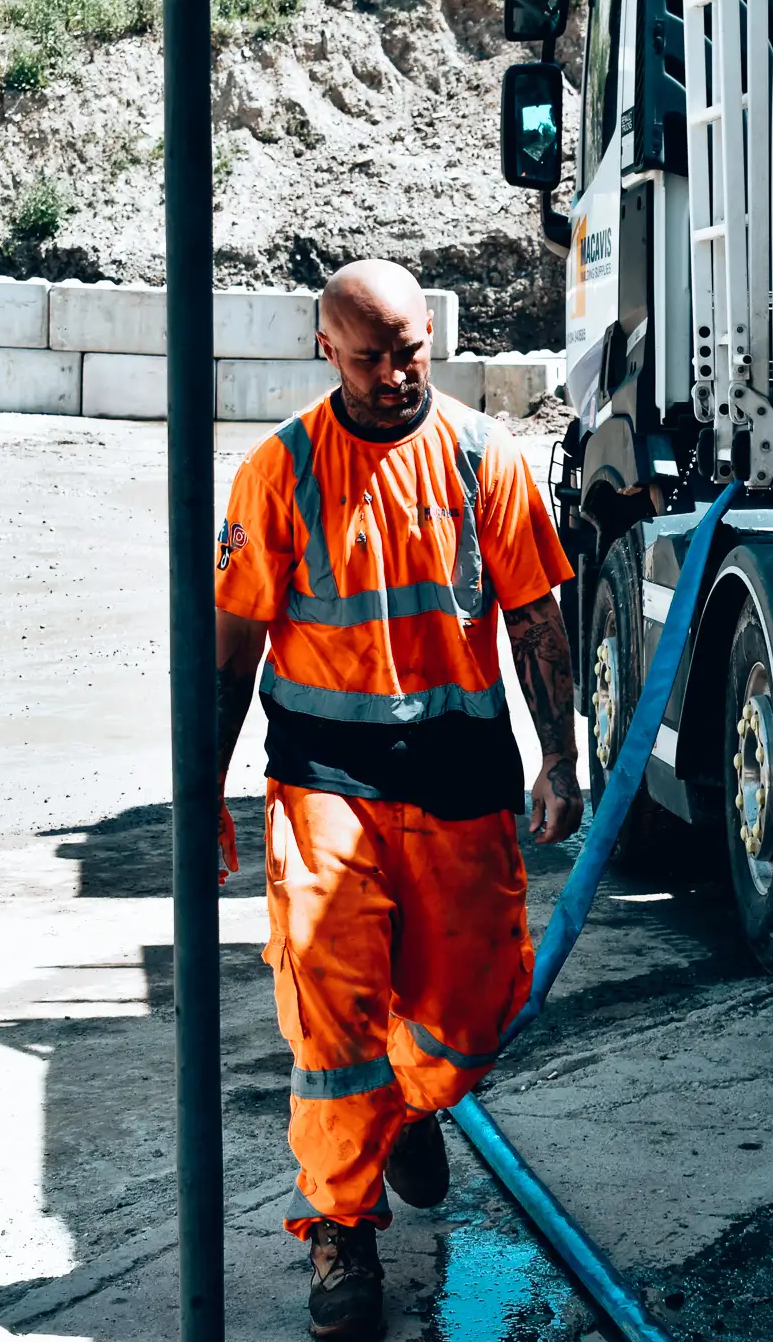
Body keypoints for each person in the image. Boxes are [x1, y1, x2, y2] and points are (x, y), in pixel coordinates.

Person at [213, 258, 583, 1339]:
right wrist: (203, 793)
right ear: (322, 348)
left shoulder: (484, 458)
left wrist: (557, 760)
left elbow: (536, 622)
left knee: (471, 1016)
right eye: (369, 357)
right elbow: (233, 652)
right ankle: (341, 1230)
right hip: (325, 780)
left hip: (460, 776)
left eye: (409, 351)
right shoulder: (278, 473)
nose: (392, 375)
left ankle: (415, 1105)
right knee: (332, 1010)